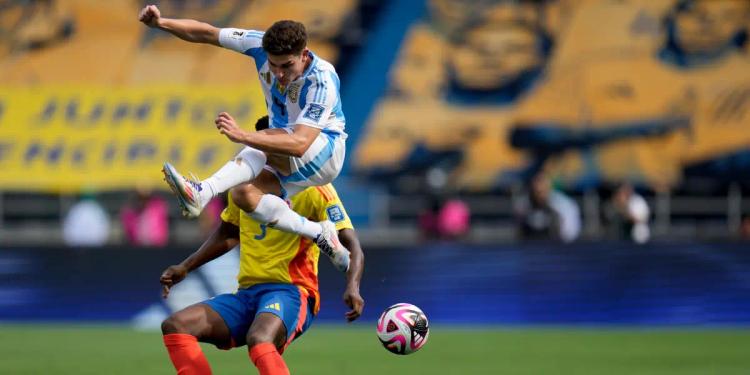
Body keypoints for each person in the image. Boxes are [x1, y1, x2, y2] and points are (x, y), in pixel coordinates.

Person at [138, 5, 350, 272]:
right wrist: (161, 24)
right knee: (243, 195)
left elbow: (299, 144)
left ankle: (202, 192)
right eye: (273, 65)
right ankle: (319, 233)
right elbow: (207, 33)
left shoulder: (322, 80)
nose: (280, 74)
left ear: (304, 54)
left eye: (287, 66)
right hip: (285, 149)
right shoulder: (257, 44)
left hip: (325, 152)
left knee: (265, 138)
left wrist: (243, 136)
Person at [159, 117, 364, 375]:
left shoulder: (316, 189)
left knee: (260, 339)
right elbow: (228, 235)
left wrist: (353, 286)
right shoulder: (244, 190)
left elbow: (352, 245)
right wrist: (186, 267)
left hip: (292, 292)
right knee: (176, 326)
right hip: (247, 294)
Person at [514, 172, 580, 243]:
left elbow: (570, 234)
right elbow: (519, 233)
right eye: (536, 190)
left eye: (542, 189)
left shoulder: (564, 205)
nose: (539, 191)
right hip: (530, 247)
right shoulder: (523, 204)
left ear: (549, 186)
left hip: (557, 247)